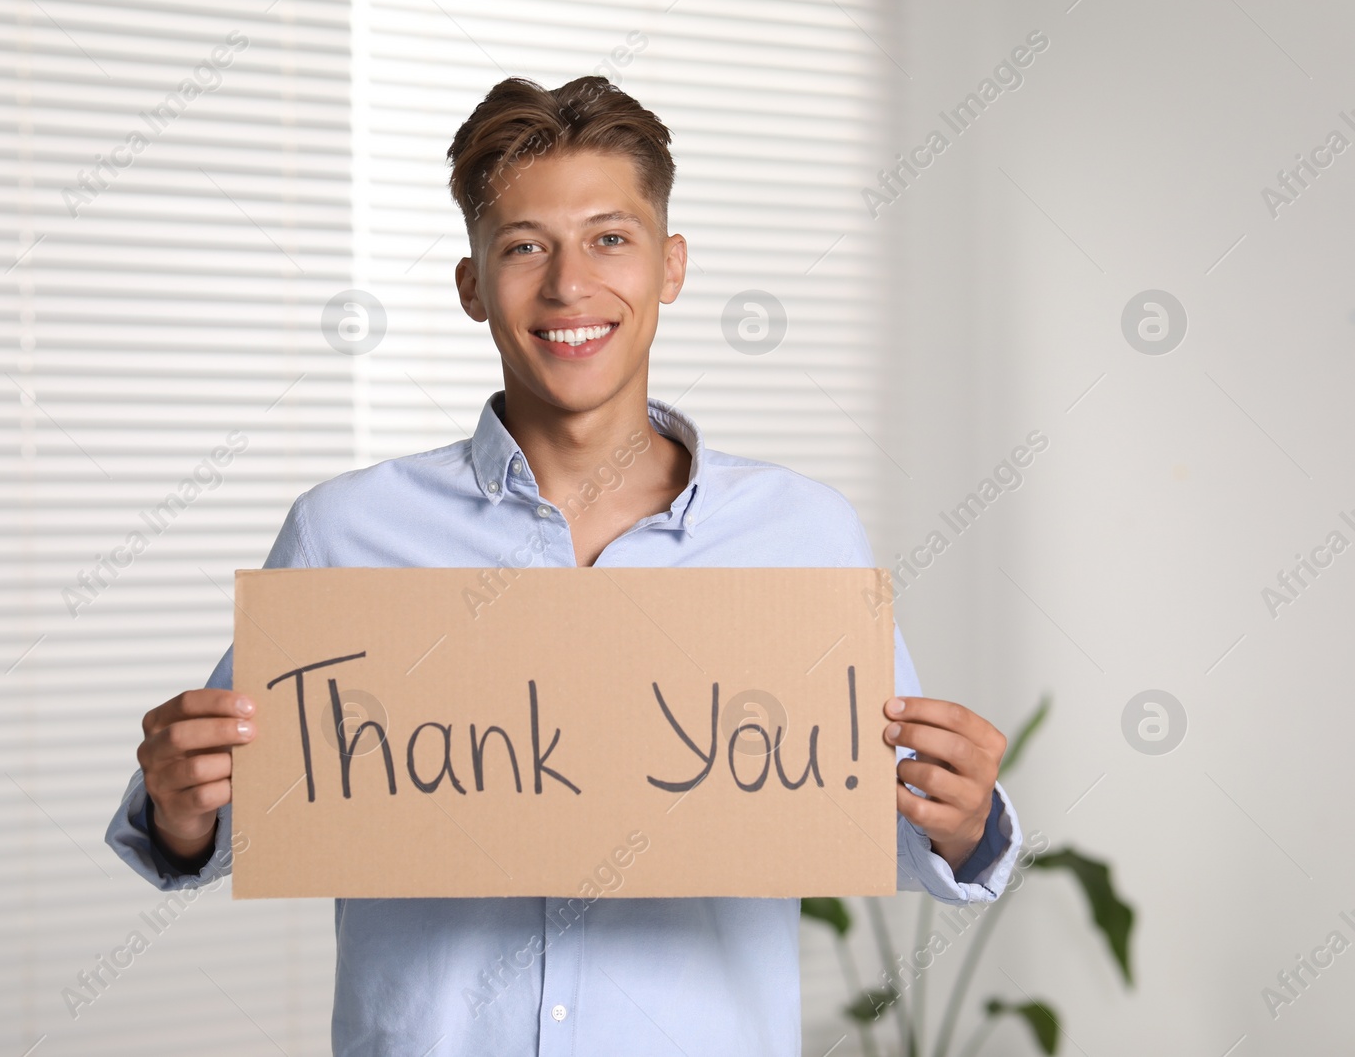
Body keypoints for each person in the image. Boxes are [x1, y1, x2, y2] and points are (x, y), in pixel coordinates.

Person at [107, 74, 1021, 1055]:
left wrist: (965, 818)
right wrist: (179, 803)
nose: (568, 285)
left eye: (609, 238)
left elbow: (882, 825)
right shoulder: (344, 535)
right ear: (471, 284)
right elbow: (238, 820)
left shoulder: (804, 536)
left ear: (670, 266)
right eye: (523, 246)